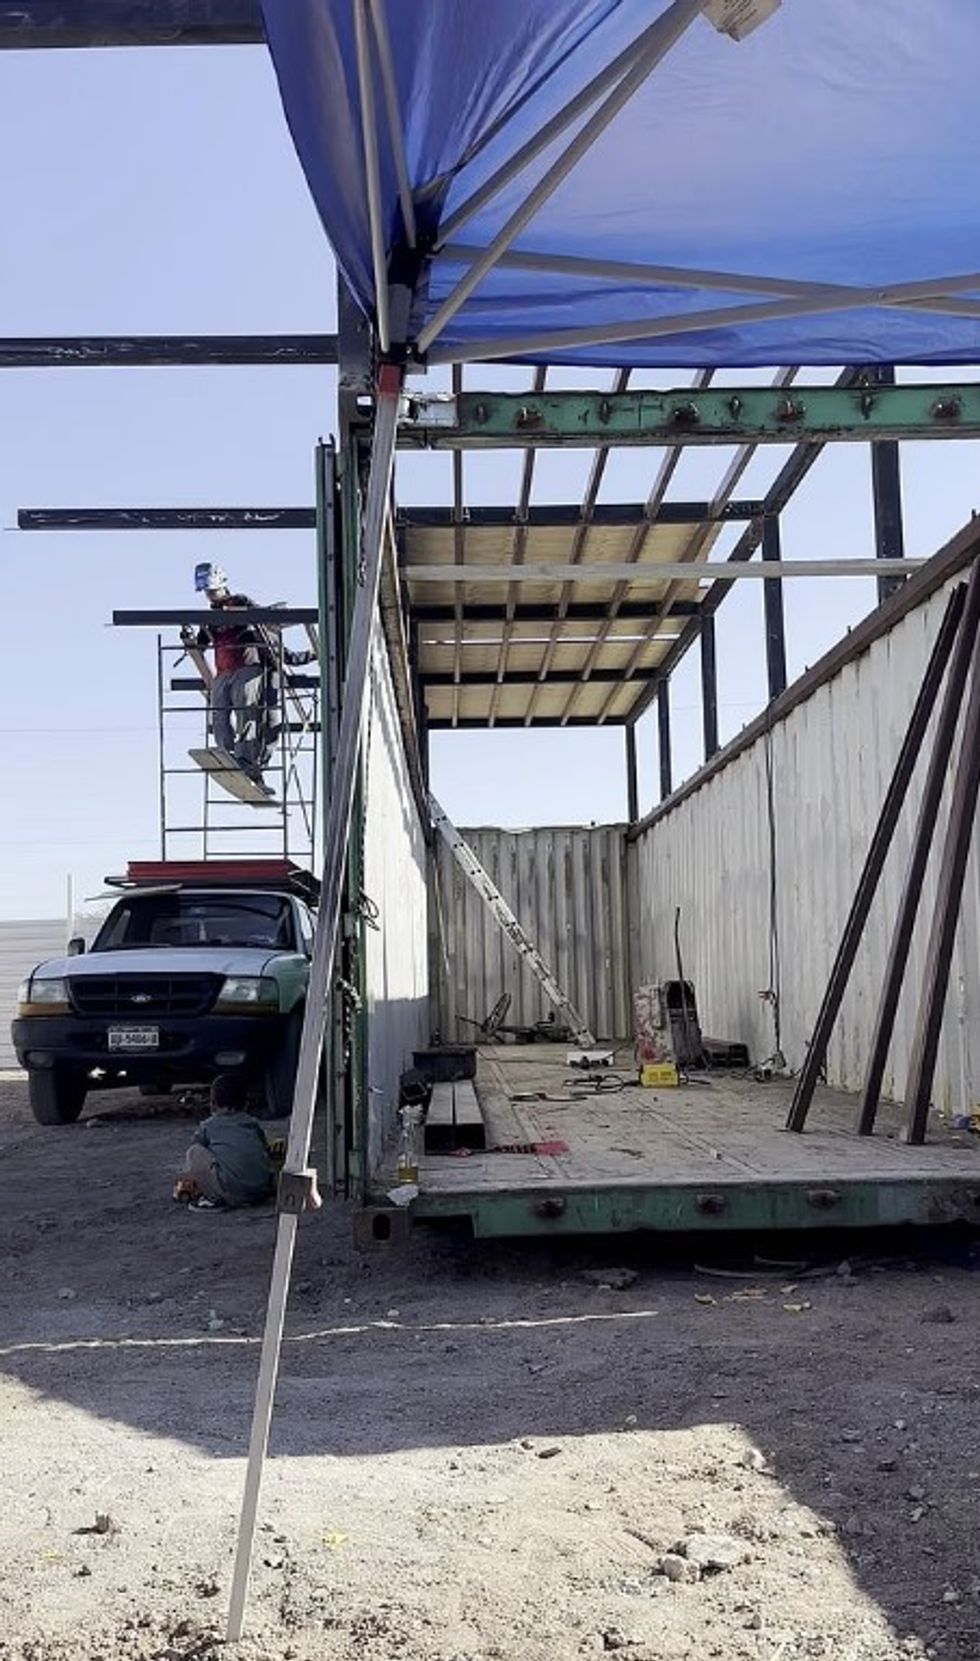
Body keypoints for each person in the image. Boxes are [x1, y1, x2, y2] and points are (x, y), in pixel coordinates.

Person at [183, 563, 316, 791]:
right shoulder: (209, 617)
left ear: (221, 584)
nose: (209, 595)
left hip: (247, 667)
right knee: (219, 714)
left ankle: (246, 761)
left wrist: (239, 614)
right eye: (206, 592)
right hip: (223, 671)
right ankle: (227, 754)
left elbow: (263, 620)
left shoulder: (241, 601)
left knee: (247, 711)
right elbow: (201, 645)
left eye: (212, 590)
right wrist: (190, 639)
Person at [174, 1072, 275, 1209]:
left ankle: (212, 1196)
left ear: (213, 1103)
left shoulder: (208, 1125)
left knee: (194, 1152)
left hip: (235, 1194)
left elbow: (197, 1146)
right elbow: (264, 1147)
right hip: (260, 1190)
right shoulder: (252, 1123)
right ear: (245, 1103)